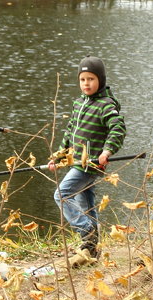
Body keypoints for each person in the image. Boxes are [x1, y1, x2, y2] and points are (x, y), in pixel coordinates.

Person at [49, 56, 126, 267]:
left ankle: (87, 232)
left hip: (91, 164)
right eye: (82, 79)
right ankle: (91, 251)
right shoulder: (79, 103)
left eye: (91, 79)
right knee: (86, 204)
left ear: (100, 80)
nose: (86, 84)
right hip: (76, 162)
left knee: (61, 194)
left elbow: (118, 128)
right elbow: (69, 133)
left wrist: (107, 151)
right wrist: (59, 156)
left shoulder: (106, 105)